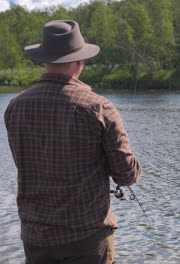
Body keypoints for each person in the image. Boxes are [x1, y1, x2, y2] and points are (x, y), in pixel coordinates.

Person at [4, 20, 141, 264]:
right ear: (80, 62)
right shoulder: (98, 107)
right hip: (87, 237)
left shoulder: (16, 106)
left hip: (36, 238)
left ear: (45, 59)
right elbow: (126, 174)